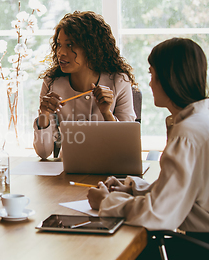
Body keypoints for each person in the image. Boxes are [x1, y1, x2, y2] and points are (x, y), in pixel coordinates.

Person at [88, 38, 209, 260]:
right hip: (202, 246)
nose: (150, 83)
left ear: (169, 78)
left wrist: (107, 201)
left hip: (200, 256)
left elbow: (158, 215)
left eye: (153, 75)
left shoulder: (187, 133)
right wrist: (133, 188)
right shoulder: (203, 118)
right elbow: (184, 190)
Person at [34, 11, 137, 159]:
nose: (61, 52)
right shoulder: (51, 83)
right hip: (69, 170)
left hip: (111, 170)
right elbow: (44, 152)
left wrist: (107, 113)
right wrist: (44, 114)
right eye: (59, 44)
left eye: (70, 45)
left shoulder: (119, 81)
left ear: (92, 48)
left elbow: (126, 146)